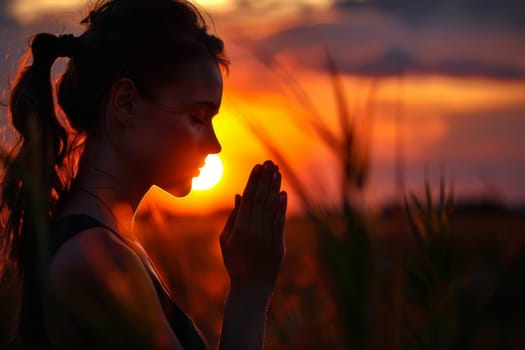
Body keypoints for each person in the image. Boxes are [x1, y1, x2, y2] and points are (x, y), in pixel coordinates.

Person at [1, 0, 287, 349]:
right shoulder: (97, 256)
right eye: (197, 118)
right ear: (126, 103)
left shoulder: (107, 243)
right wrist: (251, 289)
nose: (214, 145)